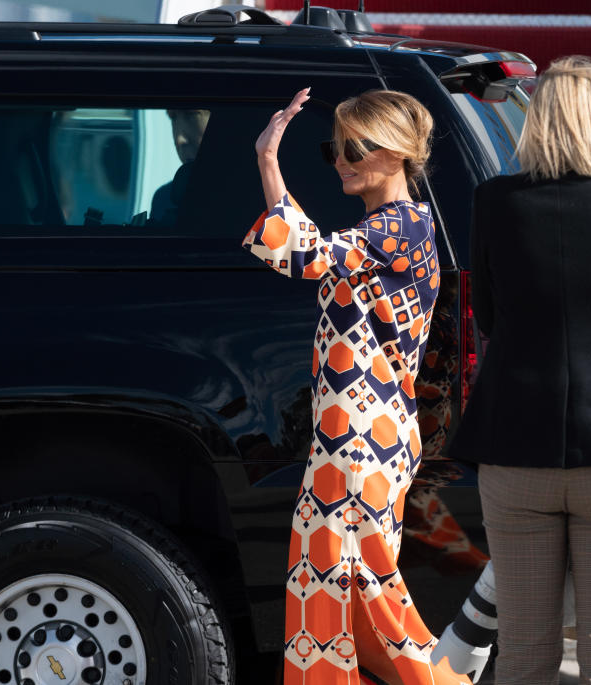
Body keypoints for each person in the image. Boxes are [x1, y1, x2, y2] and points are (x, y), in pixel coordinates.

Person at [446, 55, 591, 684]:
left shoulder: (494, 201)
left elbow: (489, 316)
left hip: (516, 450)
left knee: (524, 651)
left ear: (540, 123)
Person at [244, 88, 470, 685]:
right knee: (339, 593)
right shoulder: (387, 229)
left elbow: (305, 255)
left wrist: (269, 161)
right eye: (334, 148)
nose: (341, 160)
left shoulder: (401, 227)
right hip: (354, 438)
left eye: (355, 147)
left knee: (354, 588)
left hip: (362, 442)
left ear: (396, 154)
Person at [150, 108, 210, 224]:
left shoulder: (253, 198)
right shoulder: (164, 199)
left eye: (191, 116)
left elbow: (253, 242)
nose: (179, 139)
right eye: (173, 118)